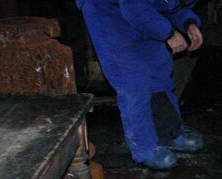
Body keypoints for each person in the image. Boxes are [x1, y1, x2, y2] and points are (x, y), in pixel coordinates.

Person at [78, 0, 204, 170]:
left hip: (147, 12)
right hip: (109, 13)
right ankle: (145, 148)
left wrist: (189, 23)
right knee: (133, 80)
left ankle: (169, 134)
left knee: (159, 71)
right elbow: (133, 7)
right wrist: (169, 34)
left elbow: (173, 5)